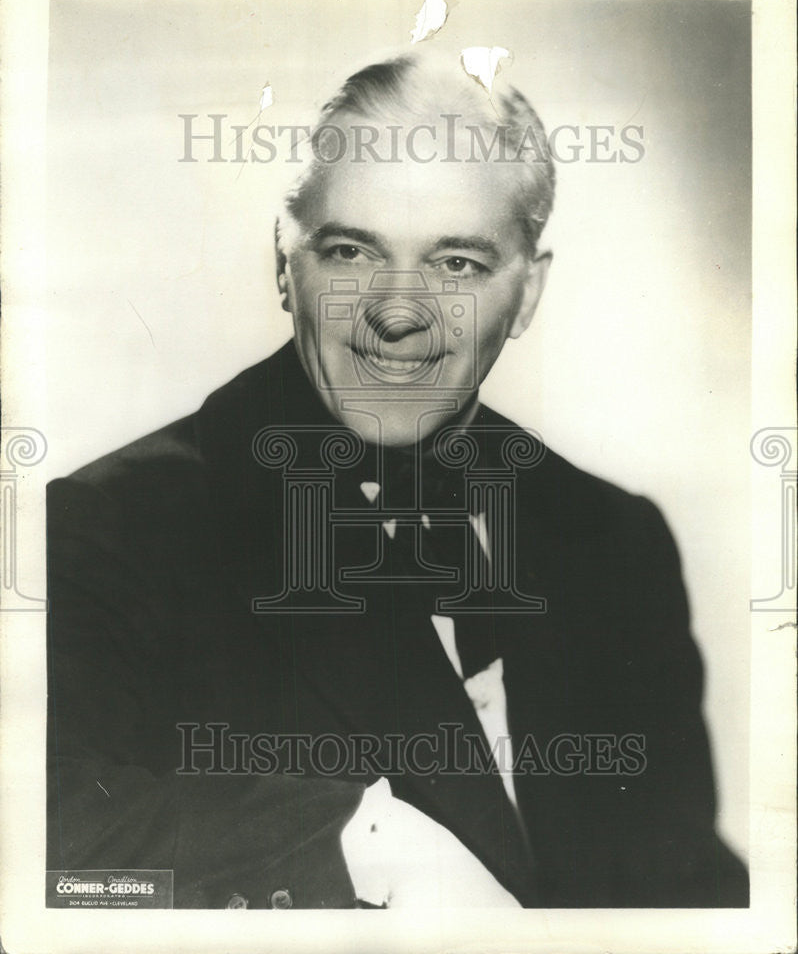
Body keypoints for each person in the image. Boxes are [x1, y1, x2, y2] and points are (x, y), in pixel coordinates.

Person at [46, 51, 748, 909]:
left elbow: (686, 883)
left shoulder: (610, 537)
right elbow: (51, 841)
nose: (399, 310)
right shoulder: (105, 529)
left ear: (527, 295)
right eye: (350, 251)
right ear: (283, 261)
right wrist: (357, 846)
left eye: (458, 264)